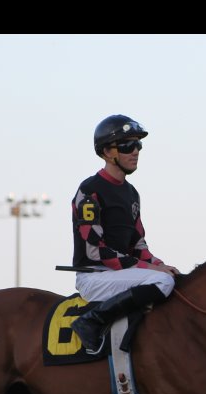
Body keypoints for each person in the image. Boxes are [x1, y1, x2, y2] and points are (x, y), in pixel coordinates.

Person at [70, 114, 179, 354]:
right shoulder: (89, 190)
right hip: (95, 276)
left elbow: (139, 246)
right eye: (127, 146)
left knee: (175, 278)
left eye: (137, 144)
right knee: (162, 281)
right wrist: (153, 270)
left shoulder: (132, 193)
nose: (135, 151)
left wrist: (160, 264)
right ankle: (91, 321)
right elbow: (96, 252)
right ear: (107, 152)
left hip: (122, 274)